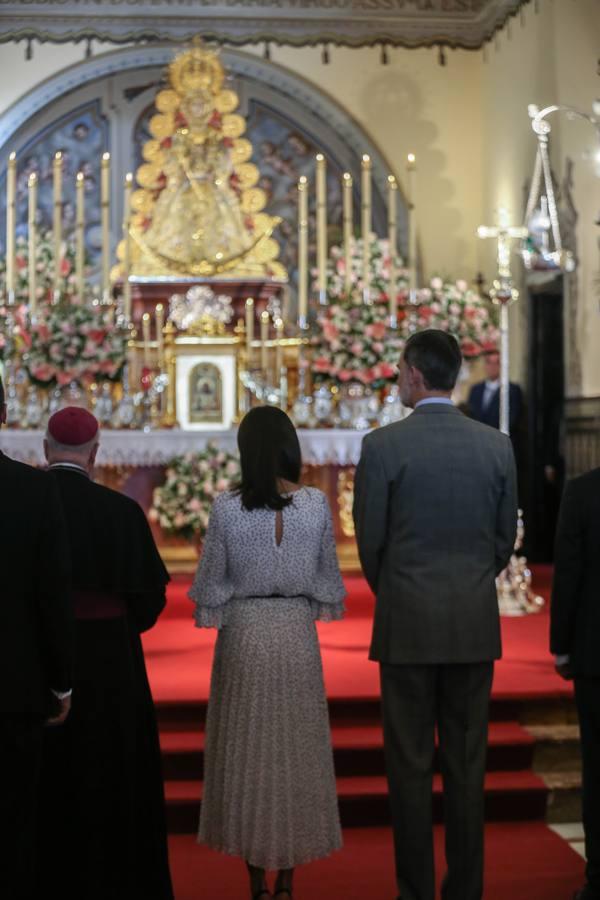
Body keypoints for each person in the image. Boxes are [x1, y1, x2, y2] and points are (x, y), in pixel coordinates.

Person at [353, 330, 518, 900]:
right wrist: (470, 585)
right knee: (468, 768)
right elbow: (503, 541)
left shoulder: (382, 446)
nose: (399, 379)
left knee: (409, 769)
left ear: (417, 376)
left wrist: (397, 591)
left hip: (406, 628)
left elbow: (369, 542)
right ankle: (466, 890)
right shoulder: (496, 446)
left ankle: (416, 891)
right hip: (472, 625)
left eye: (401, 371)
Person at [190, 405, 345, 900]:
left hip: (245, 635)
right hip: (296, 633)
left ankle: (256, 880)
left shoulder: (226, 507)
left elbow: (211, 585)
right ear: (289, 448)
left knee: (249, 757)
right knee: (297, 754)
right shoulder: (318, 505)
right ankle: (289, 883)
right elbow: (327, 581)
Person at [35, 407, 174, 900]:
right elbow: (150, 598)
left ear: (44, 449)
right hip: (111, 663)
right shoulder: (121, 512)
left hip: (37, 660)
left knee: (45, 776)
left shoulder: (24, 503)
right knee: (111, 772)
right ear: (95, 454)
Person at [0, 376, 72, 900]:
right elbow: (52, 595)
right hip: (15, 684)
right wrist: (62, 682)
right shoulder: (34, 489)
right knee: (13, 818)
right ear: (5, 413)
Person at [551, 470, 600, 900]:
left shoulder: (584, 490)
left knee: (597, 767)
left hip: (595, 651)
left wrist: (562, 648)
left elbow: (568, 572)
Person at [467, 348, 523, 440]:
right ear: (485, 365)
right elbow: (470, 417)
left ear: (502, 365)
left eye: (497, 362)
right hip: (477, 440)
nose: (493, 366)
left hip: (500, 441)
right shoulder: (475, 390)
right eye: (489, 362)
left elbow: (512, 421)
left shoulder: (513, 390)